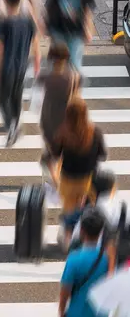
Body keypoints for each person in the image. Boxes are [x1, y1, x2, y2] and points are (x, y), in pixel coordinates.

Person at [53, 97, 107, 248]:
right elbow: (103, 155)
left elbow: (56, 154)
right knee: (86, 211)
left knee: (69, 210)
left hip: (68, 179)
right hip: (88, 180)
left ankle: (68, 239)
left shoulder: (63, 132)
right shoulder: (95, 132)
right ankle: (84, 239)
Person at [0, 0, 40, 147]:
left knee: (2, 99)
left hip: (7, 66)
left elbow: (0, 49)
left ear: (6, 1)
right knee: (16, 97)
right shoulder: (28, 21)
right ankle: (15, 123)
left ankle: (12, 126)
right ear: (19, 0)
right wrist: (36, 64)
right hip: (22, 66)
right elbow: (35, 44)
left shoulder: (4, 23)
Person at [38, 43, 79, 176]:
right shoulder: (73, 77)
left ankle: (56, 182)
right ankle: (57, 180)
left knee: (52, 156)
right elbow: (76, 100)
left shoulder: (44, 77)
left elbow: (39, 100)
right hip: (65, 121)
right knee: (60, 154)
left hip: (49, 119)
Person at [45, 0, 96, 72]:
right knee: (57, 64)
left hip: (76, 32)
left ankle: (74, 87)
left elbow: (88, 10)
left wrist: (88, 28)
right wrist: (45, 27)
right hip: (58, 31)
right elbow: (49, 6)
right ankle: (57, 86)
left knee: (75, 66)